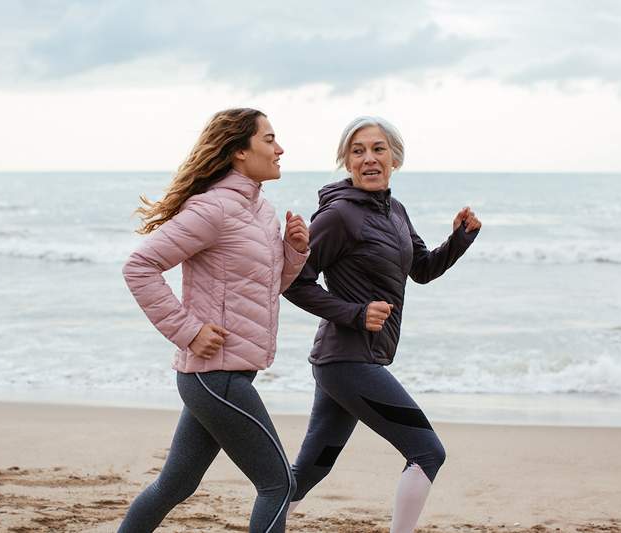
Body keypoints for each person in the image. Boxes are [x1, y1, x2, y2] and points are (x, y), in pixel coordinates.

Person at [283, 116, 481, 533]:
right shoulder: (338, 216)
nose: (369, 159)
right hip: (347, 361)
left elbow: (422, 269)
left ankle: (267, 524)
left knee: (311, 468)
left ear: (394, 158)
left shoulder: (396, 211)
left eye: (378, 149)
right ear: (346, 161)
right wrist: (355, 313)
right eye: (358, 151)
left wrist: (459, 239)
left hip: (353, 361)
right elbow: (293, 282)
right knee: (428, 452)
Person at [118, 108, 309, 533]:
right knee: (278, 484)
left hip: (227, 374)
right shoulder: (213, 210)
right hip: (215, 376)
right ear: (240, 152)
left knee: (176, 483)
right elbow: (140, 266)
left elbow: (263, 290)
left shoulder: (262, 212)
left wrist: (295, 252)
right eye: (269, 139)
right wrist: (187, 331)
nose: (280, 149)